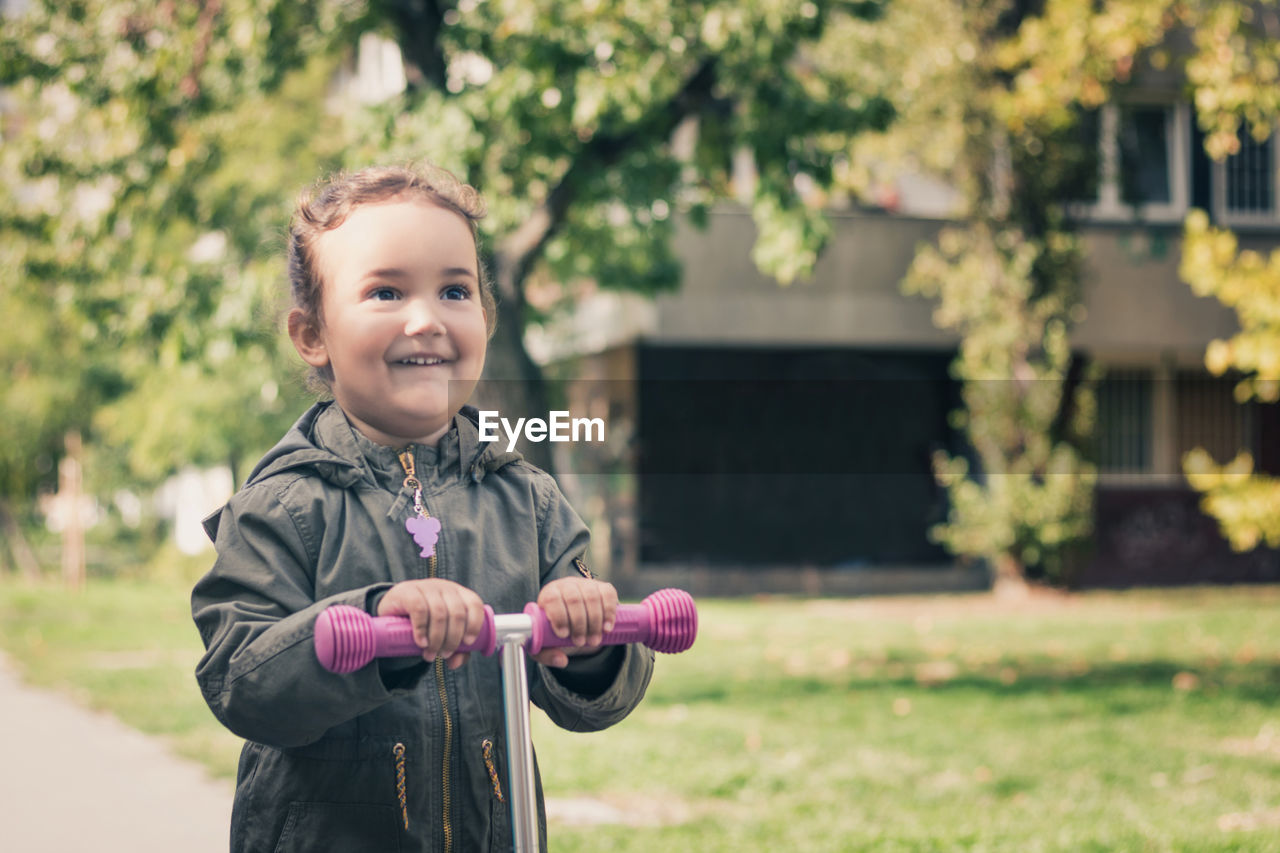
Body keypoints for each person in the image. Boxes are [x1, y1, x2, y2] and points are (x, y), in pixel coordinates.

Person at [191, 162, 655, 853]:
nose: (426, 318)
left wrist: (590, 640)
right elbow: (241, 679)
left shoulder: (528, 502)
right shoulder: (283, 507)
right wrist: (373, 621)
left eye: (454, 290)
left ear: (484, 318)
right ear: (312, 334)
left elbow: (593, 698)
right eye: (385, 290)